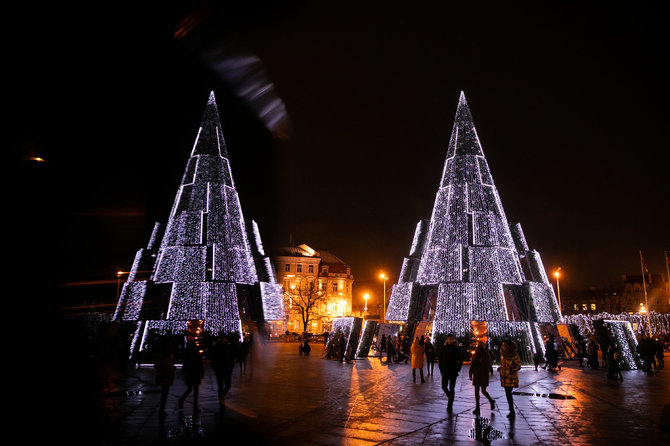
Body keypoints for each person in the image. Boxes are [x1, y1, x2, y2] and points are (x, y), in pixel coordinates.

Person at [178, 340, 205, 413]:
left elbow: (185, 364)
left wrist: (183, 372)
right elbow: (200, 363)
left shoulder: (187, 353)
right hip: (195, 373)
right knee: (195, 390)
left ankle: (182, 400)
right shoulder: (196, 353)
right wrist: (202, 372)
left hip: (190, 373)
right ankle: (195, 406)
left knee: (190, 389)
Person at [469, 341, 495, 416]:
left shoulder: (485, 353)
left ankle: (491, 400)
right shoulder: (476, 353)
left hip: (483, 373)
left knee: (483, 391)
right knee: (477, 391)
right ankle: (477, 407)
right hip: (477, 374)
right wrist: (470, 372)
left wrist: (482, 363)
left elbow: (489, 363)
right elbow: (473, 363)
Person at [209, 333, 235, 406]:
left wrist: (215, 368)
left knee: (222, 386)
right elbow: (231, 359)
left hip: (220, 370)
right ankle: (221, 397)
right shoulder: (226, 347)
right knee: (226, 385)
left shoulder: (217, 347)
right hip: (225, 370)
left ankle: (221, 397)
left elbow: (213, 359)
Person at [439, 333, 463, 412]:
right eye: (449, 338)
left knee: (452, 388)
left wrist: (458, 368)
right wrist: (441, 368)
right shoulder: (444, 348)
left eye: (452, 338)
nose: (450, 340)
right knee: (444, 386)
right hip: (445, 370)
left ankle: (450, 404)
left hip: (453, 370)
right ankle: (450, 397)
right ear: (447, 339)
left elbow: (461, 359)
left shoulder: (456, 348)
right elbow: (440, 358)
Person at [154, 336, 176, 418]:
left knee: (165, 392)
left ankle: (162, 409)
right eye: (169, 344)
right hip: (165, 375)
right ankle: (161, 409)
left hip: (167, 375)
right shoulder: (164, 356)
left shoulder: (168, 355)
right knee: (165, 392)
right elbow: (158, 365)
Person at [499, 339, 521, 419]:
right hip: (504, 376)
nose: (503, 346)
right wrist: (501, 368)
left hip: (511, 377)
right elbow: (503, 363)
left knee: (508, 393)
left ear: (508, 346)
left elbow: (518, 365)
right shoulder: (503, 354)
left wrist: (512, 369)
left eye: (505, 345)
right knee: (508, 394)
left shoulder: (513, 354)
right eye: (503, 345)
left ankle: (512, 411)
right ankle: (511, 410)